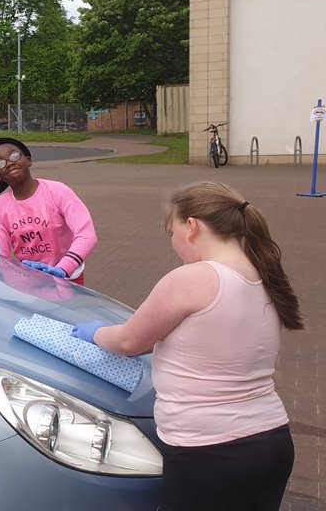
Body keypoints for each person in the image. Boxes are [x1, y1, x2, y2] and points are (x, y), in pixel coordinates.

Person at [71, 181, 301, 511]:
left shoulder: (193, 279)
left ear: (191, 226)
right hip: (272, 440)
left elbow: (128, 341)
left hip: (210, 451)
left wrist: (94, 333)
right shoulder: (262, 274)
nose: (174, 243)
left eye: (172, 232)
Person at [0, 137, 96, 284]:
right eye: (0, 163)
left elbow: (86, 235)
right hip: (31, 281)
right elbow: (1, 253)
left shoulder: (57, 191)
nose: (9, 163)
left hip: (67, 279)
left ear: (28, 160)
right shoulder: (1, 205)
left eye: (14, 156)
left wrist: (63, 268)